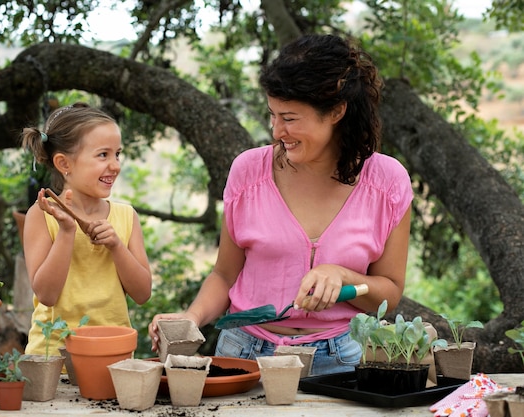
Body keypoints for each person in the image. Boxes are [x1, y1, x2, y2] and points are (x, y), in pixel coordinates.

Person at [148, 33, 413, 376]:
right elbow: (225, 274)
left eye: (289, 118)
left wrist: (342, 275)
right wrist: (191, 318)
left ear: (336, 111)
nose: (276, 131)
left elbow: (389, 293)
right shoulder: (247, 171)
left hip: (343, 361)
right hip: (244, 356)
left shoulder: (388, 181)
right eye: (272, 115)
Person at [22, 102, 152, 355]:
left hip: (113, 355)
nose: (115, 165)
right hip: (53, 360)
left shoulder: (126, 216)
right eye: (103, 155)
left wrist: (116, 247)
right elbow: (47, 294)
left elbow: (142, 293)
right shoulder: (42, 215)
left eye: (118, 154)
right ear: (64, 163)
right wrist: (67, 232)